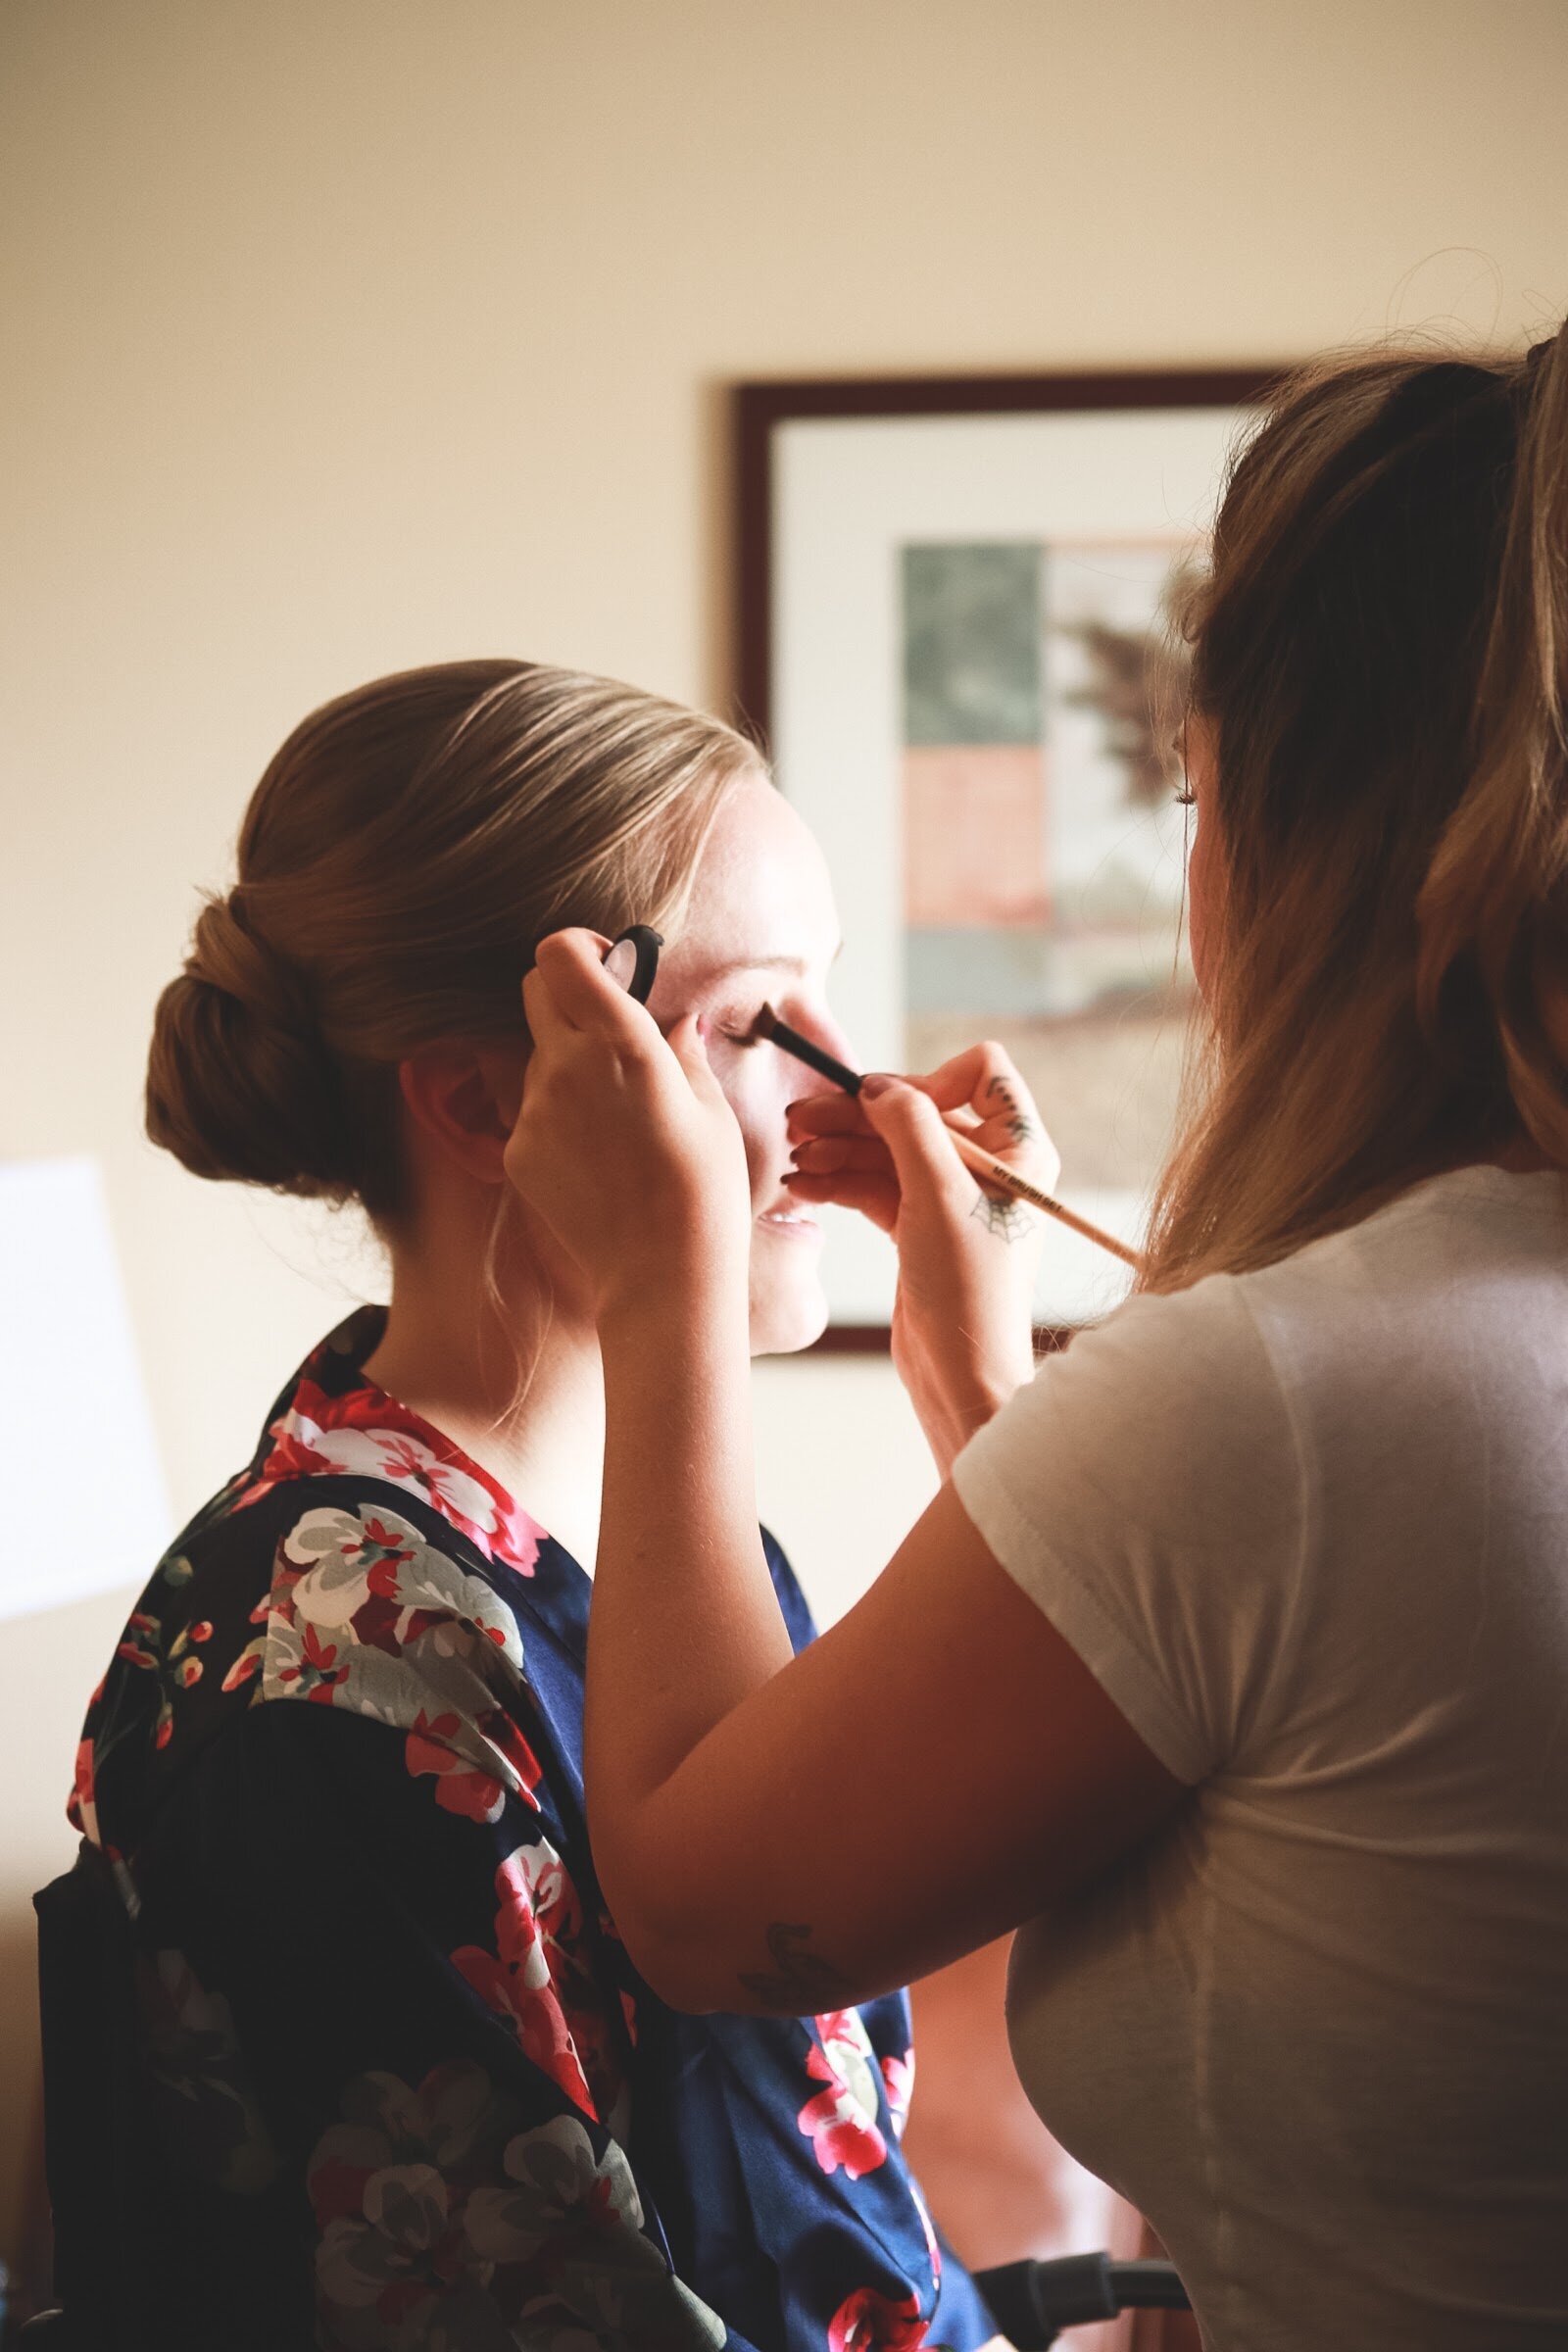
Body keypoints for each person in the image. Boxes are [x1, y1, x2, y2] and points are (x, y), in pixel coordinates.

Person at [502, 324, 1568, 2352]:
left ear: (1305, 830)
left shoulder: (1287, 1398)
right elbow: (1234, 1680)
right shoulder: (1384, 1369)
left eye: (1191, 793)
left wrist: (669, 1300)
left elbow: (714, 1916)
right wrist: (973, 1372)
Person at [49, 663, 1003, 2352]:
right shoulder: (329, 1678)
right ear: (492, 1104)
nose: (858, 1095)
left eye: (837, 1005)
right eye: (762, 1028)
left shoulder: (645, 1551)